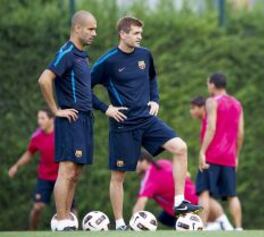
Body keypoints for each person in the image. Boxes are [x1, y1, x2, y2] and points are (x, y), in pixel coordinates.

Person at [91, 16, 201, 230]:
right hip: (123, 125)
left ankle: (179, 202)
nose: (140, 37)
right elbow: (85, 86)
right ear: (123, 34)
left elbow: (152, 79)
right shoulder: (108, 61)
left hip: (147, 119)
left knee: (180, 148)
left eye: (141, 33)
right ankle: (121, 223)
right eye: (135, 33)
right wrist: (107, 108)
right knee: (118, 177)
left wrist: (155, 99)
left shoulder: (145, 55)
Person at [38, 10, 97, 231]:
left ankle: (68, 218)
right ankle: (61, 220)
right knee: (66, 171)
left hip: (84, 120)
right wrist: (56, 111)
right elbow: (44, 80)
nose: (94, 33)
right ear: (77, 28)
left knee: (75, 173)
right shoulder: (67, 53)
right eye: (90, 29)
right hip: (70, 119)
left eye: (95, 29)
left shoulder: (82, 55)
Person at [190, 72, 244, 230]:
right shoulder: (237, 103)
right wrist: (237, 155)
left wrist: (202, 151)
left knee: (204, 192)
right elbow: (240, 133)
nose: (207, 86)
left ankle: (202, 227)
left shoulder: (212, 102)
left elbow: (211, 127)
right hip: (229, 156)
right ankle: (239, 228)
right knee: (232, 195)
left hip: (212, 155)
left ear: (213, 84)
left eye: (208, 83)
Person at [133, 150, 233, 230]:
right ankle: (220, 227)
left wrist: (134, 222)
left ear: (145, 161)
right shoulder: (163, 163)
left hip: (186, 205)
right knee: (164, 218)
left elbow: (141, 203)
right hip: (192, 196)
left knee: (199, 220)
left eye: (136, 161)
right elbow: (186, 174)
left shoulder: (150, 178)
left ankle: (215, 227)